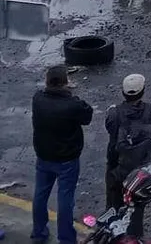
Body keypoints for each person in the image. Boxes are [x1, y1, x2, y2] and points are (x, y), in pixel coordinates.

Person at [31, 64, 93, 244]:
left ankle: (39, 232)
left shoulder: (38, 99)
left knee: (41, 194)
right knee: (65, 198)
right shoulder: (71, 105)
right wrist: (70, 94)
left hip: (43, 156)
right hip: (67, 159)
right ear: (65, 83)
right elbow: (87, 115)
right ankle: (66, 238)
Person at [104, 74, 151, 239]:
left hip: (118, 166)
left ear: (123, 92)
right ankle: (134, 238)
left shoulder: (114, 113)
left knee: (113, 206)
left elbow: (111, 132)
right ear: (142, 92)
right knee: (136, 208)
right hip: (142, 169)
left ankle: (114, 236)